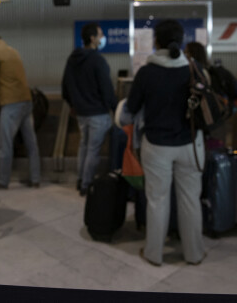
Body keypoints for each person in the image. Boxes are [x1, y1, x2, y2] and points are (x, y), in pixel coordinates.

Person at [125, 19, 205, 266]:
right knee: (191, 199)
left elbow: (131, 110)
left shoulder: (147, 73)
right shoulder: (192, 68)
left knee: (157, 200)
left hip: (157, 145)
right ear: (181, 41)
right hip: (190, 144)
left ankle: (154, 253)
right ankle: (194, 254)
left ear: (156, 42)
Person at [0, 34, 41, 189]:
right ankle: (35, 179)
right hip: (26, 100)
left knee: (5, 143)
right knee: (31, 143)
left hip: (11, 103)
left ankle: (2, 181)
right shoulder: (12, 50)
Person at [62, 22, 117, 196]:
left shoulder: (72, 59)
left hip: (81, 113)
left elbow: (65, 86)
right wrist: (115, 108)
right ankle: (86, 184)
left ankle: (80, 179)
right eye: (100, 35)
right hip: (98, 113)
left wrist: (73, 104)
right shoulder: (97, 60)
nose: (102, 38)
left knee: (83, 146)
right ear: (92, 39)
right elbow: (106, 89)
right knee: (93, 149)